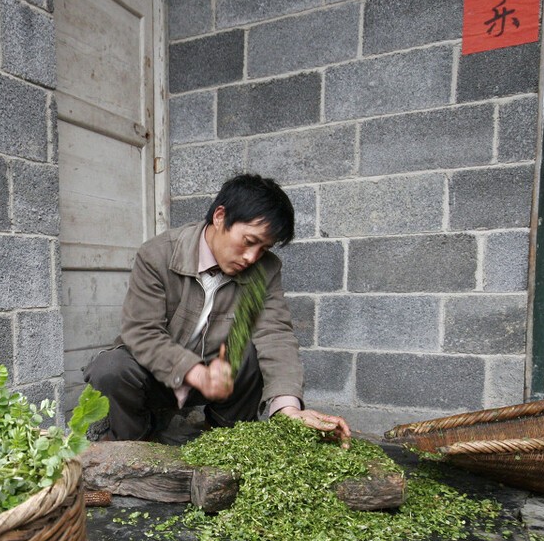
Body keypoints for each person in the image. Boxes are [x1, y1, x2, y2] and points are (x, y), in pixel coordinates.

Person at [84, 173, 351, 445]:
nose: (252, 257)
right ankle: (135, 440)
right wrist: (197, 373)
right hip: (158, 377)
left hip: (221, 383)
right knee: (111, 367)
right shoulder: (158, 255)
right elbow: (141, 331)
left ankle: (223, 439)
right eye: (248, 241)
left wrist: (289, 409)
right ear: (220, 216)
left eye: (263, 248)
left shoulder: (264, 270)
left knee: (251, 354)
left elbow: (276, 336)